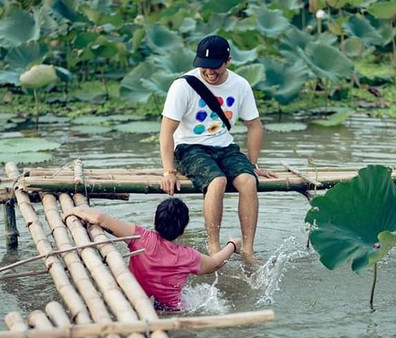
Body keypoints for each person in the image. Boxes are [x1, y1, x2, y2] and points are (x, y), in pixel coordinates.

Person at [159, 35, 277, 260]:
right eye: (204, 67)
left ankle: (248, 249)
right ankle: (214, 247)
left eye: (215, 67)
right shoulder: (182, 86)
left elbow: (254, 125)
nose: (210, 72)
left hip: (225, 147)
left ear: (228, 61)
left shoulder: (240, 85)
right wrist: (168, 171)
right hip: (189, 148)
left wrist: (253, 164)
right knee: (218, 180)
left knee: (249, 181)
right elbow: (166, 131)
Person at [67, 198, 241, 311]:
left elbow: (100, 218)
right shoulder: (187, 256)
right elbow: (216, 263)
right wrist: (232, 244)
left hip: (134, 301)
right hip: (171, 312)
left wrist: (75, 210)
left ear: (154, 220)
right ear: (182, 230)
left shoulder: (140, 237)